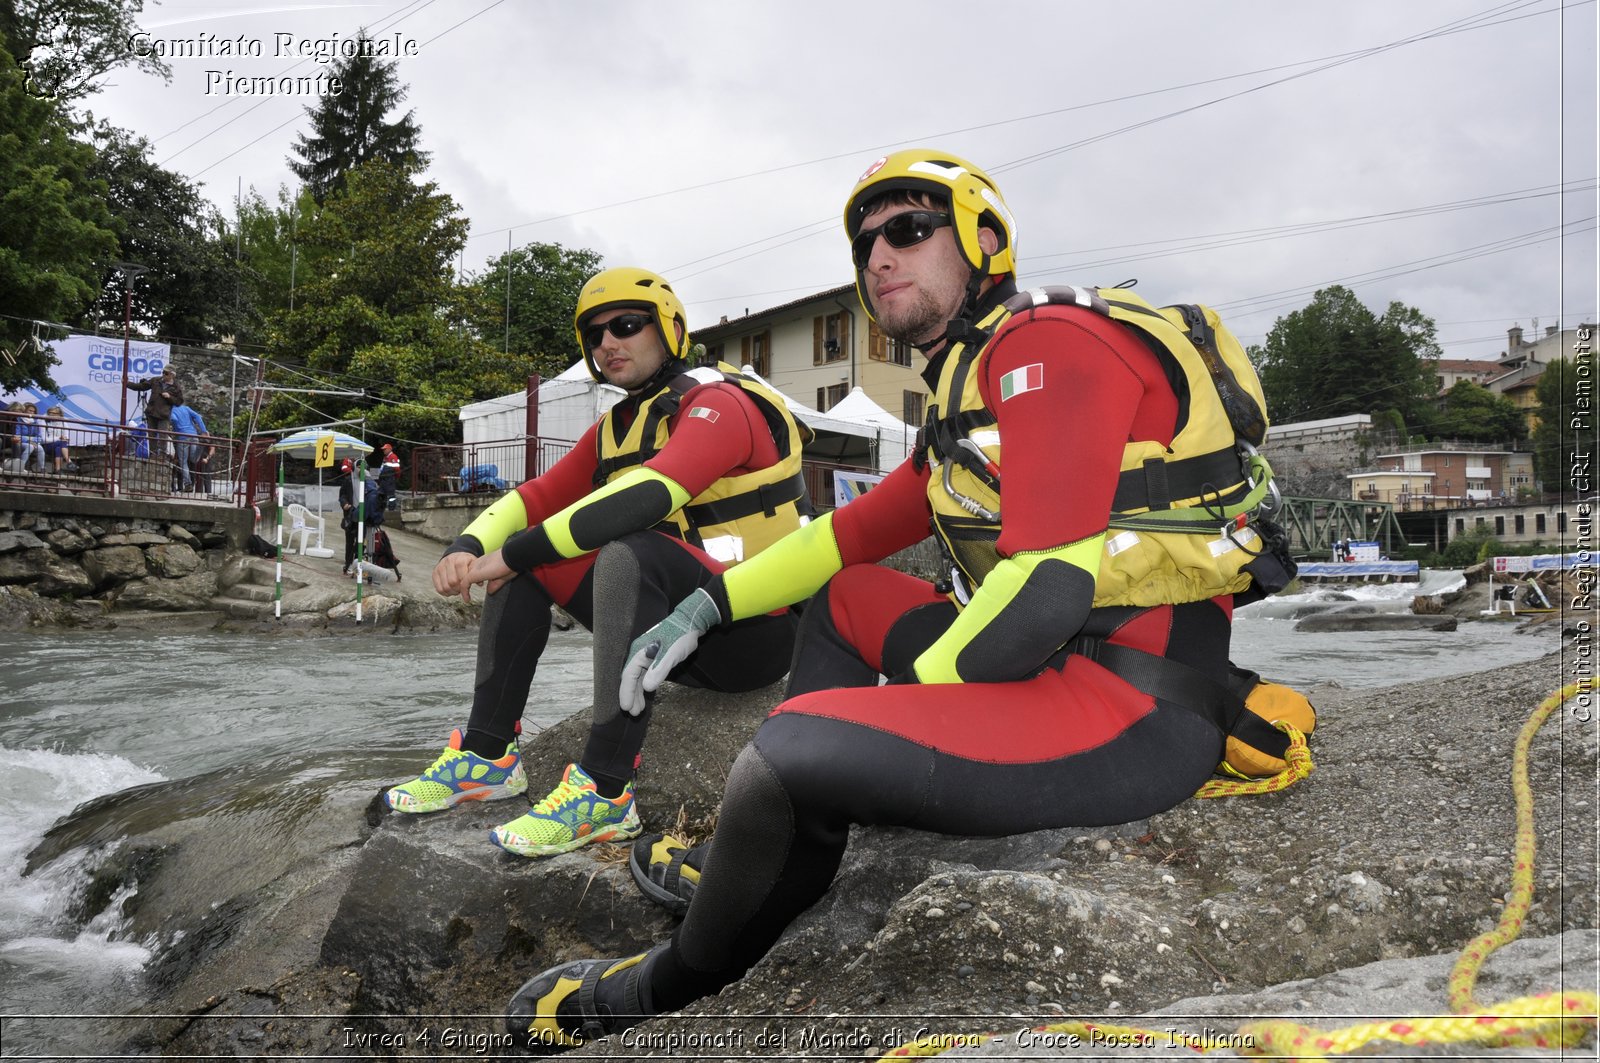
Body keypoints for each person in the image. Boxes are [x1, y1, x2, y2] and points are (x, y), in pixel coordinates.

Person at [506, 150, 1284, 1047]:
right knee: (848, 596)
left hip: (1129, 705)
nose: (879, 255)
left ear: (985, 241)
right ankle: (767, 861)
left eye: (910, 229)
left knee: (791, 749)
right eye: (865, 241)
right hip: (1048, 668)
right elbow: (840, 539)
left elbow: (1043, 591)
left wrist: (874, 714)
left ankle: (667, 982)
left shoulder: (1047, 342)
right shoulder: (967, 387)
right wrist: (704, 609)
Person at [384, 266, 810, 862]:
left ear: (671, 330)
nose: (609, 343)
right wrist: (468, 547)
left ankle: (606, 792)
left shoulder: (721, 404)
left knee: (626, 550)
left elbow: (655, 492)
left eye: (628, 326)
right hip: (677, 641)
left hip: (757, 633)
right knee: (530, 561)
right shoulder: (616, 426)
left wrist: (515, 551)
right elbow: (535, 497)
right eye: (595, 335)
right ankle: (487, 757)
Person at [125, 366, 183, 445]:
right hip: (151, 413)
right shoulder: (156, 380)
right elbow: (141, 386)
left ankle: (162, 455)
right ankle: (153, 454)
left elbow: (179, 402)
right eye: (163, 372)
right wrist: (127, 383)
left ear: (172, 375)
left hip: (163, 415)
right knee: (151, 436)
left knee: (163, 437)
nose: (163, 374)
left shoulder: (176, 387)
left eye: (166, 373)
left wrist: (170, 397)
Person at [167, 403, 209, 492]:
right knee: (194, 459)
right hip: (194, 435)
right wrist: (204, 431)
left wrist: (174, 427)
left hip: (182, 437)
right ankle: (200, 446)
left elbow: (174, 419)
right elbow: (197, 416)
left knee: (183, 462)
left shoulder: (171, 410)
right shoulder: (186, 408)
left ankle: (188, 484)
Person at [337, 458, 361, 576]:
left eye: (363, 467)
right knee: (350, 541)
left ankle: (358, 564)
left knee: (361, 542)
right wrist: (344, 503)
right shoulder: (348, 481)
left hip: (363, 516)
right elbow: (342, 495)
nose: (360, 470)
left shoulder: (368, 482)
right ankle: (348, 564)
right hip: (350, 516)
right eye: (358, 467)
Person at [6, 401, 45, 473]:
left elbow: (39, 437)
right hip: (22, 442)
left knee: (40, 448)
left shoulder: (35, 422)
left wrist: (31, 440)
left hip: (31, 442)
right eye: (30, 410)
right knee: (30, 447)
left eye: (34, 411)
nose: (32, 413)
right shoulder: (18, 420)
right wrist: (29, 440)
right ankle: (21, 467)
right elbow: (17, 434)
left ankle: (42, 469)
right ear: (25, 410)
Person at [40, 406, 79, 474]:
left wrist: (65, 439)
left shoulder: (64, 423)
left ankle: (58, 470)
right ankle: (69, 462)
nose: (52, 415)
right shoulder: (44, 422)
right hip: (46, 446)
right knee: (61, 443)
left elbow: (66, 438)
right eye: (50, 413)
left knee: (59, 448)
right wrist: (58, 438)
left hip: (59, 446)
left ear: (60, 415)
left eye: (55, 413)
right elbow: (43, 439)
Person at [377, 443, 401, 509]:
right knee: (381, 494)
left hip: (390, 479)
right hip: (384, 479)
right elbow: (381, 469)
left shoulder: (393, 457)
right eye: (383, 449)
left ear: (389, 449)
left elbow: (397, 469)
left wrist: (396, 478)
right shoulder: (385, 458)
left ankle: (391, 509)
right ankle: (381, 508)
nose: (383, 451)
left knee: (391, 495)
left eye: (385, 449)